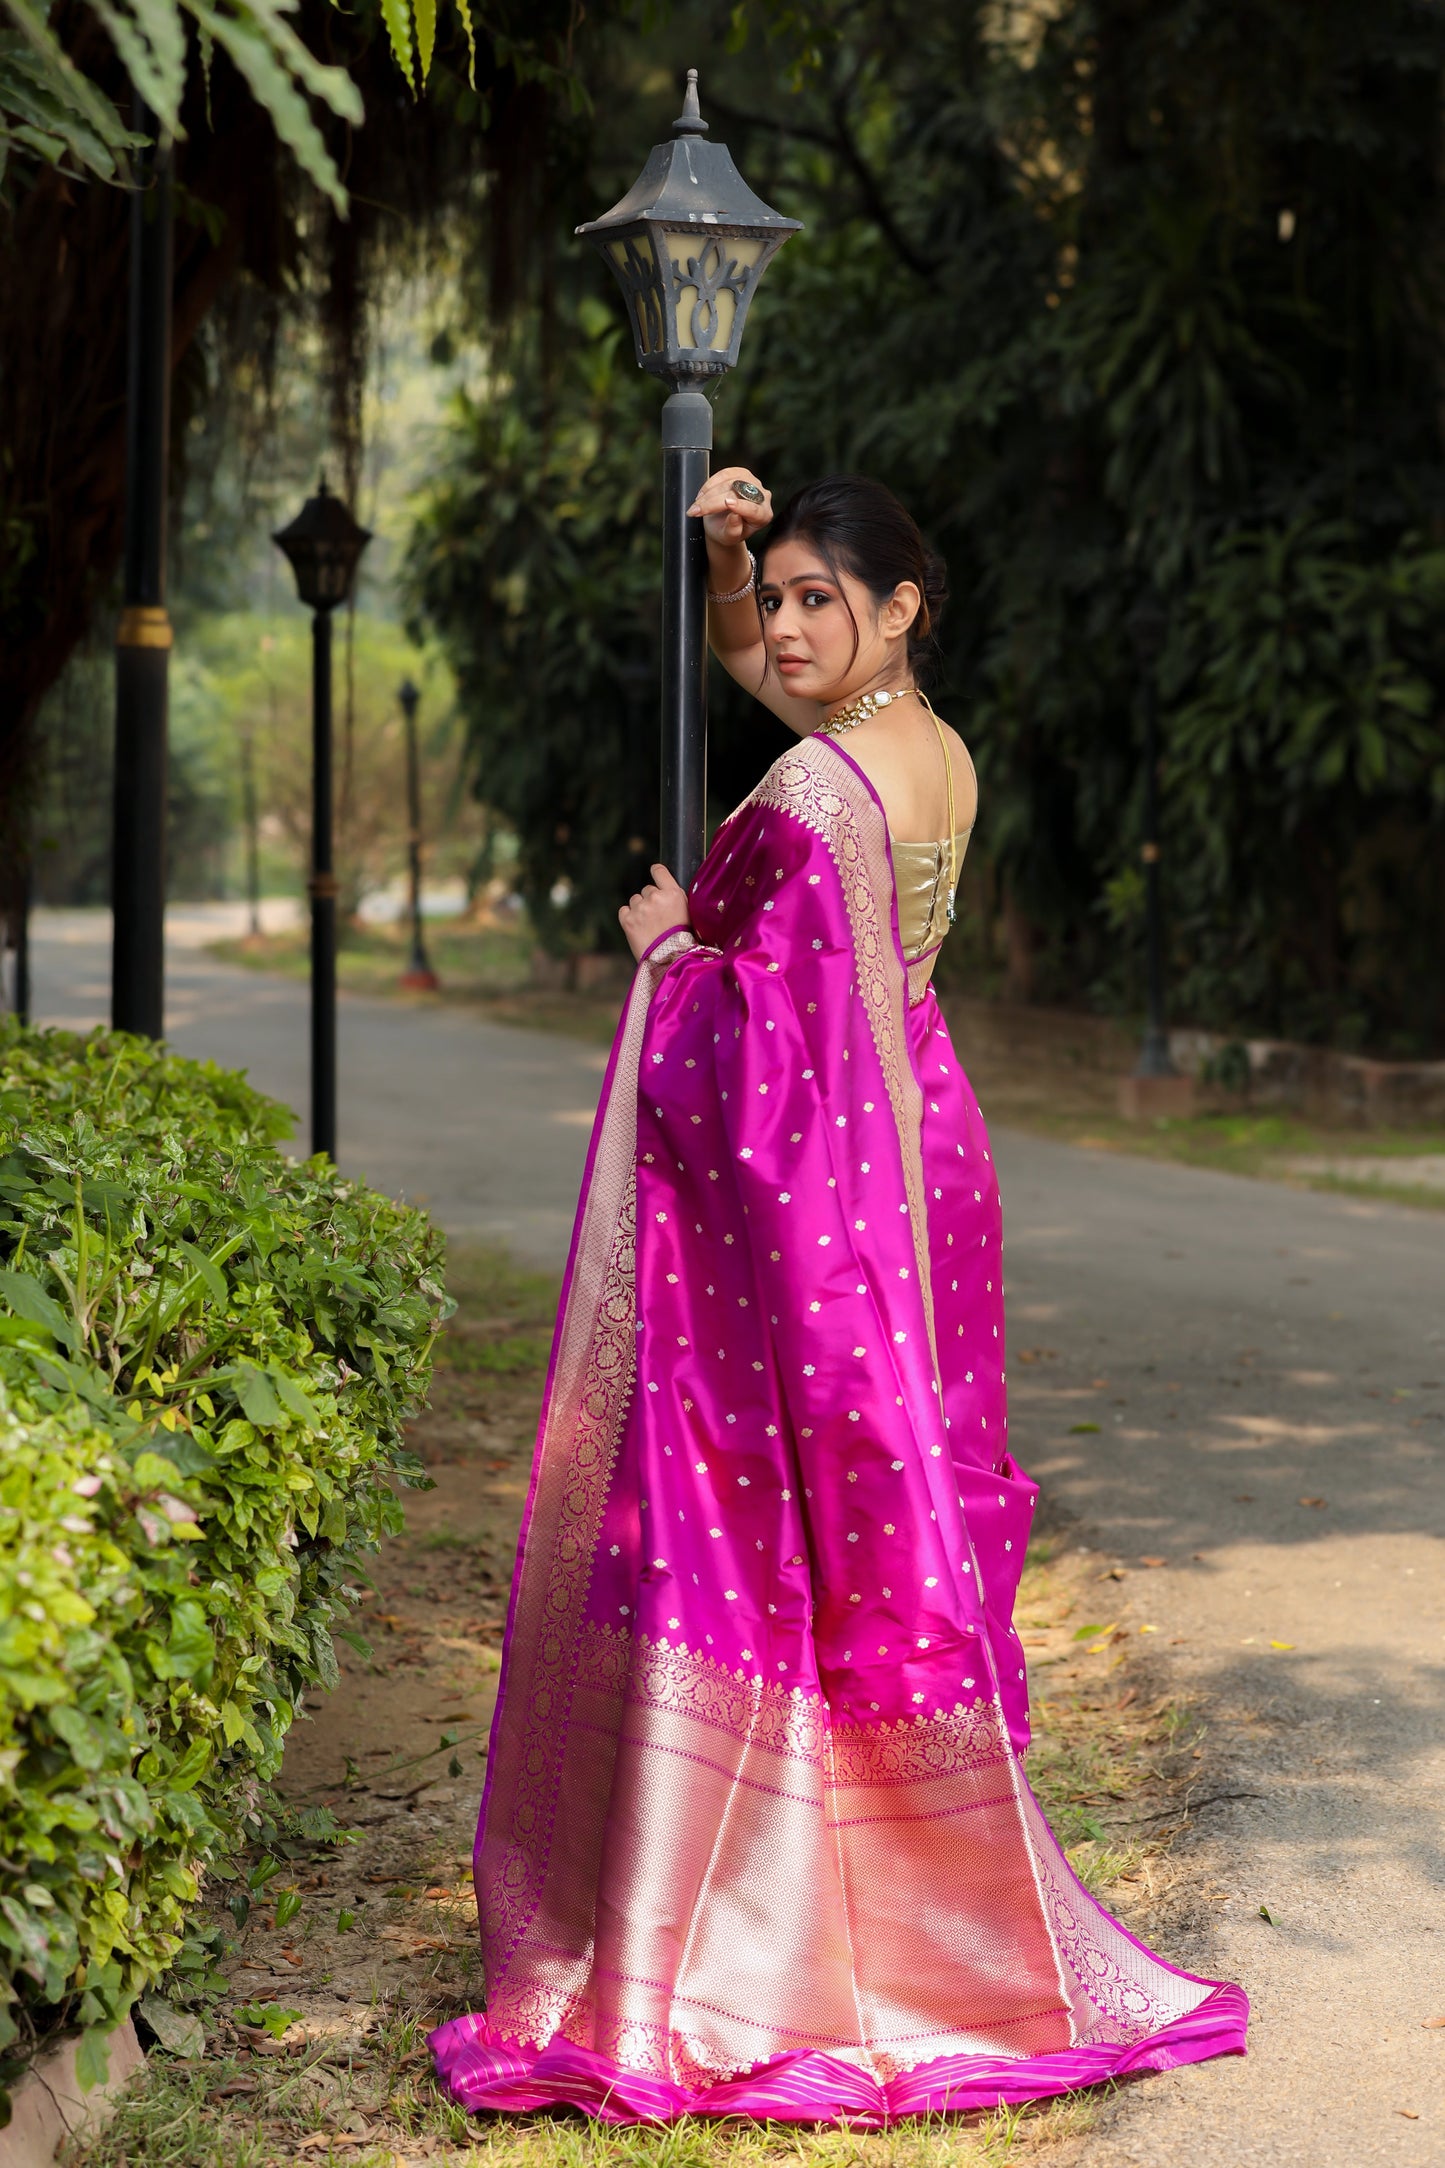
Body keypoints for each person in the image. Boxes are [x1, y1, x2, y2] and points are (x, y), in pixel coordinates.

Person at [430, 470, 1247, 2124]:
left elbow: (760, 1036)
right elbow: (774, 700)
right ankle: (910, 1894)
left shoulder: (809, 796)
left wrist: (672, 955)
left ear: (899, 606)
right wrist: (721, 556)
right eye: (778, 594)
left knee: (780, 1517)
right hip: (914, 1149)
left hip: (819, 1179)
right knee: (893, 1492)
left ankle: (775, 1936)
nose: (786, 628)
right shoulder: (924, 750)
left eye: (819, 597)